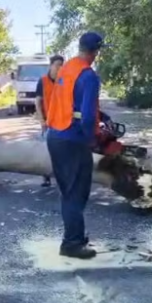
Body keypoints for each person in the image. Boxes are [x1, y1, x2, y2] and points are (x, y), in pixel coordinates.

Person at [46, 31, 109, 259]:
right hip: (73, 140)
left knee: (68, 191)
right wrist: (93, 139)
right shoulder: (89, 75)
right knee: (76, 194)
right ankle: (72, 244)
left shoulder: (67, 68)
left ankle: (75, 237)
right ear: (95, 52)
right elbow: (88, 119)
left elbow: (72, 103)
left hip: (55, 136)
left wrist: (105, 117)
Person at [34, 54, 65, 187]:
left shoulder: (63, 81)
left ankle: (62, 176)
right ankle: (46, 176)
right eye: (58, 64)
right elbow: (37, 101)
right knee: (46, 148)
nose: (60, 67)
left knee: (62, 149)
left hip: (62, 121)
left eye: (62, 65)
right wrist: (41, 120)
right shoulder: (43, 81)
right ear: (51, 65)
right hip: (47, 121)